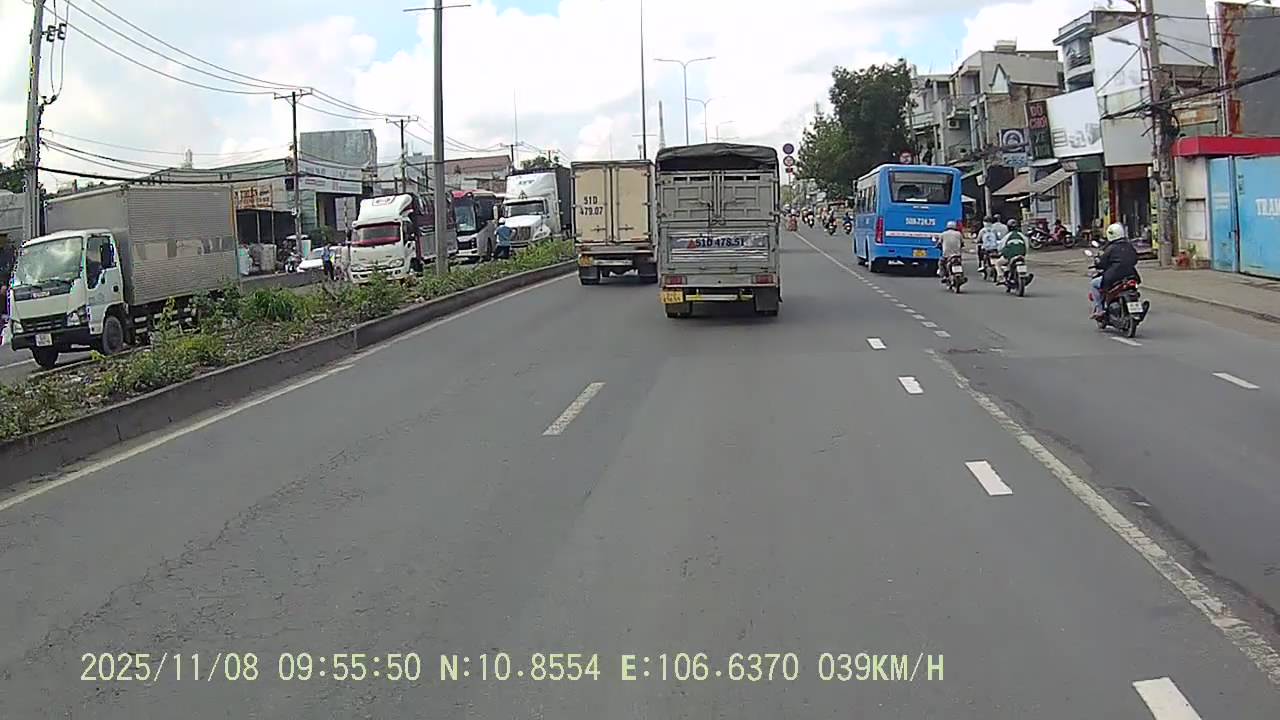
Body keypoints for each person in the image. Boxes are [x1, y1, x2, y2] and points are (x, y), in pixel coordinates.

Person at [1090, 222, 1141, 319]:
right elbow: (1135, 259)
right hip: (1131, 274)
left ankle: (1100, 310)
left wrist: (1097, 263)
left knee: (1094, 284)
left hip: (1113, 277)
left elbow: (1102, 263)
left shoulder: (1111, 248)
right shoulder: (1129, 246)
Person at [995, 218, 1027, 283]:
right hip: (1021, 256)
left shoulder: (1007, 236)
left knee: (997, 263)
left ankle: (1001, 277)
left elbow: (1001, 246)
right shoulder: (1022, 235)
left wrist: (1000, 251)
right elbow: (1027, 245)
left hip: (1010, 257)